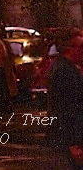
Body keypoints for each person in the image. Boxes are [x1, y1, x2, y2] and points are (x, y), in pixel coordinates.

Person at [47, 27, 83, 169]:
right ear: (70, 48)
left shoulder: (71, 67)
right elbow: (63, 108)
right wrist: (72, 143)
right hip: (72, 138)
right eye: (81, 47)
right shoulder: (63, 71)